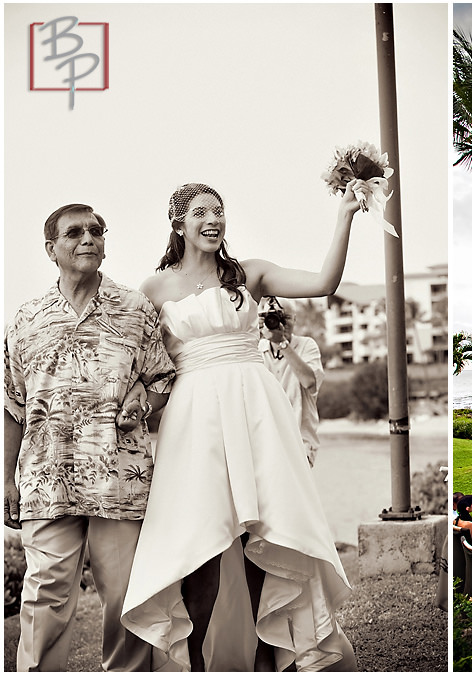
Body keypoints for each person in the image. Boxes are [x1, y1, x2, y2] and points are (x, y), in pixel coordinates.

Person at [121, 182, 362, 671]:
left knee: (268, 539)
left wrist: (345, 215)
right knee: (200, 545)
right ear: (178, 224)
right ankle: (195, 664)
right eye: (200, 212)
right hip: (193, 419)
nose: (213, 220)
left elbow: (323, 282)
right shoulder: (153, 289)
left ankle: (266, 663)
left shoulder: (250, 274)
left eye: (219, 211)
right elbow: (138, 362)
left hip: (257, 410)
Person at [4, 203, 176, 672]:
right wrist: (6, 481)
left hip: (119, 479)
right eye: (74, 232)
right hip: (46, 481)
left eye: (96, 231)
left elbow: (163, 380)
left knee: (125, 598)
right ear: (51, 249)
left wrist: (142, 402)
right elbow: (12, 407)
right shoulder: (25, 320)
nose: (88, 239)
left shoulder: (135, 309)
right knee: (44, 597)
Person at [258, 297, 325, 467]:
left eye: (285, 317)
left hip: (300, 442)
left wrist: (282, 344)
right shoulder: (257, 350)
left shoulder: (307, 345)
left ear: (295, 319)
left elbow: (310, 382)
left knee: (297, 493)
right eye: (274, 316)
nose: (281, 323)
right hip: (267, 442)